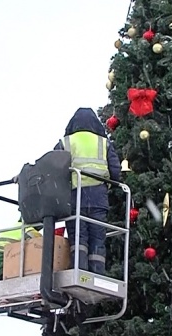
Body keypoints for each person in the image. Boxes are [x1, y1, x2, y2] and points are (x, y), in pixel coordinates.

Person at [54, 108, 121, 275]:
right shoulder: (103, 143)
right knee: (97, 237)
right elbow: (116, 172)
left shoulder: (66, 142)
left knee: (78, 237)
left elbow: (53, 168)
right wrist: (112, 184)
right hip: (99, 197)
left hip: (75, 197)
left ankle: (79, 269)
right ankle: (97, 273)